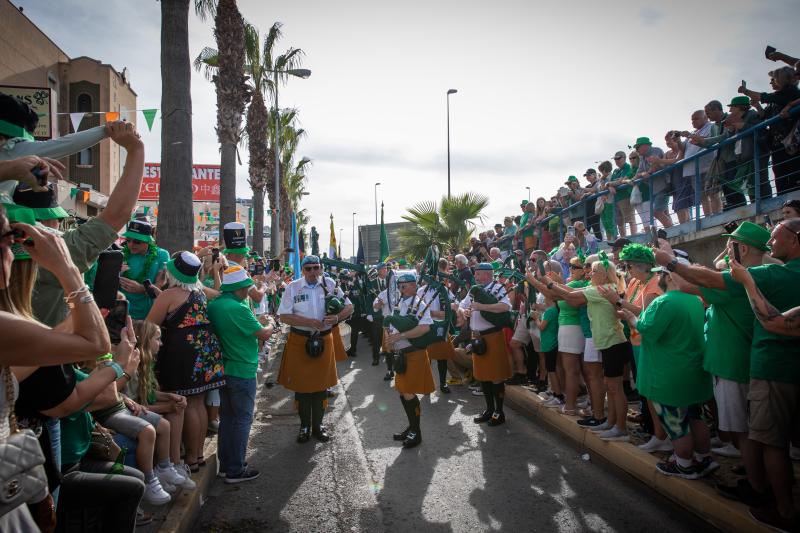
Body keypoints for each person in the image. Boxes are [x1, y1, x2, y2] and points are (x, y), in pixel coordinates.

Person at [654, 218, 800, 531]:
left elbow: (697, 280)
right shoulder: (767, 273)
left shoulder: (757, 278)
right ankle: (761, 484)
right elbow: (718, 270)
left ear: (743, 247)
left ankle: (763, 492)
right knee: (752, 435)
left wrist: (670, 262)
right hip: (756, 364)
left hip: (740, 366)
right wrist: (732, 247)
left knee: (751, 436)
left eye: (734, 243)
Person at [617, 267, 716, 479]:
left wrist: (630, 319)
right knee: (696, 417)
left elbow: (647, 330)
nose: (657, 277)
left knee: (676, 425)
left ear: (669, 277)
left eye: (660, 274)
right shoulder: (694, 300)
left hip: (669, 376)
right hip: (691, 372)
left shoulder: (664, 302)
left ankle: (684, 465)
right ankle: (704, 458)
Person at [531, 253, 632, 442]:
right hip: (608, 341)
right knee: (611, 386)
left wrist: (547, 281)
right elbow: (570, 294)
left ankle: (620, 427)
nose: (589, 273)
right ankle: (610, 423)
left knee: (614, 387)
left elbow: (570, 296)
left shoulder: (601, 289)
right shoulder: (600, 287)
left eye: (593, 271)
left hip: (612, 342)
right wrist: (549, 282)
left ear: (604, 275)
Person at [146, 251, 225, 472]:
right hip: (205, 348)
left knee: (188, 404)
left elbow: (150, 325)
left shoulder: (168, 295)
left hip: (183, 352)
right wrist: (217, 272)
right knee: (198, 403)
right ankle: (198, 455)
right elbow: (218, 293)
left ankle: (189, 458)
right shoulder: (199, 291)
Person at [208, 265, 274, 483]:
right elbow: (263, 333)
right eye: (247, 286)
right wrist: (271, 323)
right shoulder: (238, 308)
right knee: (242, 420)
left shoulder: (216, 304)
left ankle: (226, 465)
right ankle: (235, 469)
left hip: (223, 369)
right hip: (242, 368)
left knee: (227, 418)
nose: (249, 290)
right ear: (240, 287)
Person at [277, 256, 352, 444]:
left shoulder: (330, 283)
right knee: (302, 389)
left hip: (323, 340)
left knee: (321, 388)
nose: (312, 272)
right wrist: (308, 322)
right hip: (299, 340)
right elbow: (284, 316)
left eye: (316, 268)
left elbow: (350, 307)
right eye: (308, 268)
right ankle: (304, 426)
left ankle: (318, 426)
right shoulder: (293, 287)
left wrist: (336, 318)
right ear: (302, 270)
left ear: (320, 268)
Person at [602, 244, 668, 452]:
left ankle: (662, 435)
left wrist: (618, 302)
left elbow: (645, 313)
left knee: (652, 390)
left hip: (648, 342)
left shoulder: (655, 283)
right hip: (636, 340)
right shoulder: (635, 283)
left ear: (641, 266)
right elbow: (628, 307)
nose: (626, 269)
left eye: (628, 266)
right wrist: (618, 304)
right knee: (645, 390)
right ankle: (654, 431)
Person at [383, 272, 436, 448]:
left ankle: (416, 432)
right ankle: (411, 427)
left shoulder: (419, 304)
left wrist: (401, 336)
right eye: (399, 286)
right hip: (402, 354)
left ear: (414, 285)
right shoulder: (400, 303)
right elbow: (392, 324)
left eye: (404, 286)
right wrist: (390, 339)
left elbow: (425, 328)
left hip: (414, 353)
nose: (401, 289)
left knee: (408, 392)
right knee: (402, 391)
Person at [458, 263, 513, 426]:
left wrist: (482, 306)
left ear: (487, 275)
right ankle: (489, 409)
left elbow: (505, 307)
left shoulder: (498, 288)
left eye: (478, 274)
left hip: (493, 335)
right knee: (483, 376)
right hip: (477, 337)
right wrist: (464, 311)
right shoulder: (474, 289)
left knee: (496, 376)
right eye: (475, 274)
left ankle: (499, 411)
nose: (475, 276)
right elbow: (462, 304)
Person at [739, 66, 800, 194]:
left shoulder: (790, 92)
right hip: (779, 142)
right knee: (780, 176)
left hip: (792, 141)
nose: (772, 82)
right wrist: (757, 106)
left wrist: (746, 91)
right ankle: (785, 204)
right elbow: (764, 115)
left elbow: (764, 96)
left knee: (793, 174)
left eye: (774, 79)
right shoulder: (776, 98)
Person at [119, 219, 169, 320]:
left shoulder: (161, 255)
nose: (131, 244)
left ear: (148, 241)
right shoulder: (121, 254)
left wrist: (142, 288)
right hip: (122, 310)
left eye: (137, 242)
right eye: (128, 240)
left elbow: (161, 283)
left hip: (146, 312)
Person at [632, 137, 670, 229]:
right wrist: (639, 176)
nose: (636, 150)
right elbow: (639, 173)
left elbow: (655, 166)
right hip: (653, 189)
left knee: (657, 211)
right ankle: (670, 229)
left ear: (645, 145)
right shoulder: (642, 157)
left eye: (638, 147)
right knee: (660, 211)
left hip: (663, 186)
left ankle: (671, 230)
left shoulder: (656, 151)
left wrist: (647, 173)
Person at [609, 152, 636, 236]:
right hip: (617, 199)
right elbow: (612, 182)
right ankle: (623, 240)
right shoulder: (615, 171)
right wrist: (610, 186)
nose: (616, 160)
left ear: (624, 158)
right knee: (619, 222)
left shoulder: (628, 167)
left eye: (618, 158)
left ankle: (634, 238)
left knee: (630, 219)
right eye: (615, 159)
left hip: (626, 196)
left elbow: (622, 180)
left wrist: (610, 184)